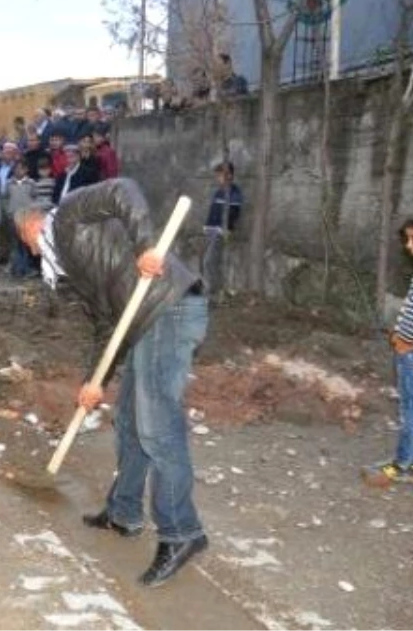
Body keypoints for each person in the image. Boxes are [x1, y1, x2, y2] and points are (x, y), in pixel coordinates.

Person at [14, 178, 210, 588]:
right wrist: (94, 382)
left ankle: (182, 532)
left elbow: (123, 190)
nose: (28, 251)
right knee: (128, 422)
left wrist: (145, 247)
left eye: (22, 239)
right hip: (144, 322)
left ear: (29, 225)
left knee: (158, 427)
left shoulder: (68, 215)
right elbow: (106, 323)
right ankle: (124, 513)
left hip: (168, 308)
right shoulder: (67, 263)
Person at [367, 219, 413, 485]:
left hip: (410, 352)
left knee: (409, 410)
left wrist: (402, 340)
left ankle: (403, 464)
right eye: (407, 239)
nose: (408, 246)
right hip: (406, 348)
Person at [201, 161, 244, 299]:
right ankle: (212, 291)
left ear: (229, 176)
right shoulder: (219, 192)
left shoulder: (235, 193)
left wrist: (226, 229)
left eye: (221, 175)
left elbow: (234, 213)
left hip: (220, 232)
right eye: (218, 175)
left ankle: (211, 293)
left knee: (209, 261)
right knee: (208, 261)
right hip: (211, 231)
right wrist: (207, 226)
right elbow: (213, 210)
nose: (218, 178)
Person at [6, 160, 37, 278]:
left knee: (26, 244)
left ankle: (26, 268)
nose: (19, 171)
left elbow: (35, 197)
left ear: (26, 170)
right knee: (15, 244)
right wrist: (8, 212)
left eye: (22, 168)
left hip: (27, 218)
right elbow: (6, 197)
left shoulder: (32, 183)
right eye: (16, 169)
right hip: (12, 216)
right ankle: (17, 269)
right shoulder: (9, 183)